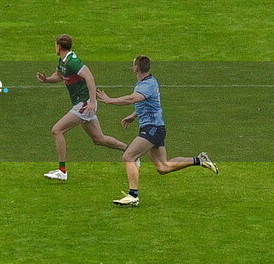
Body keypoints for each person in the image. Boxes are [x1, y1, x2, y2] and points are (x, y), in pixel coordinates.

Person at [96, 56, 218, 207]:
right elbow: (148, 102)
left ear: (136, 68)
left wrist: (110, 100)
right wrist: (134, 115)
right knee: (163, 167)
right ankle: (200, 159)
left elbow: (132, 99)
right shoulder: (146, 82)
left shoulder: (147, 84)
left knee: (128, 156)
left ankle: (133, 195)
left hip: (152, 128)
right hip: (156, 127)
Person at [39, 34, 129, 181]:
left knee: (57, 130)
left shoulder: (73, 61)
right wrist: (46, 80)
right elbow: (59, 76)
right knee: (98, 139)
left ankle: (62, 171)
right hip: (81, 104)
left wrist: (92, 101)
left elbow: (89, 77)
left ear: (58, 46)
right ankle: (131, 152)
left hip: (84, 104)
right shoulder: (63, 61)